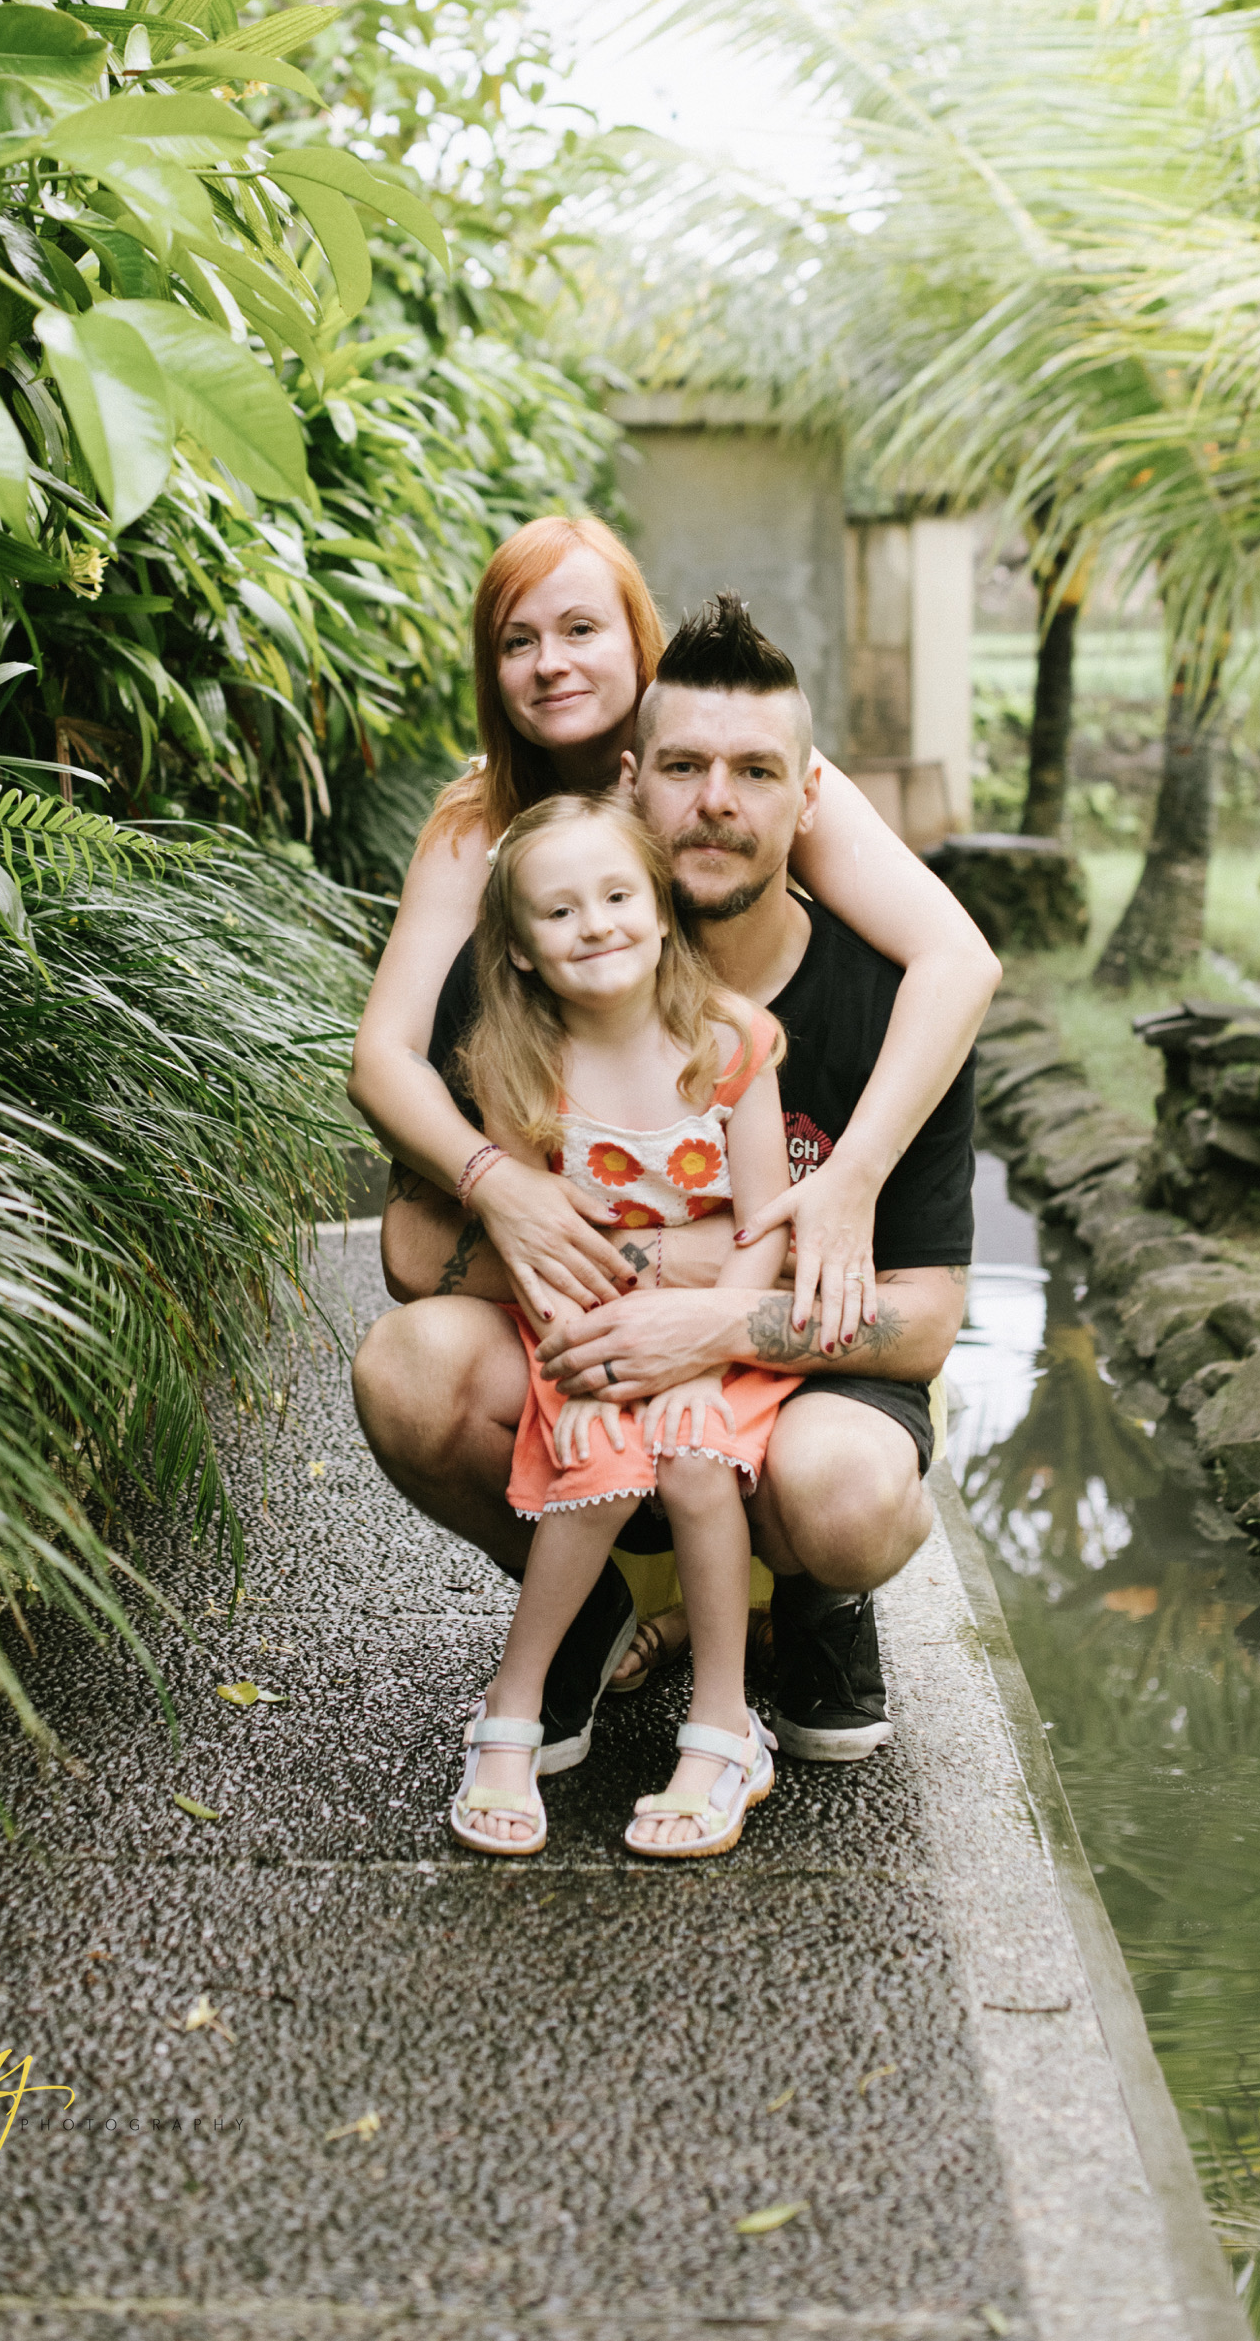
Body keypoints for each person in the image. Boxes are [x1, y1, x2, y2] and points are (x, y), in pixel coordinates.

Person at [356, 592, 988, 1776]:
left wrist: (713, 1320)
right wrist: (653, 1264)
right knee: (407, 1372)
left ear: (808, 797)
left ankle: (811, 1600)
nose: (715, 801)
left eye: (754, 772)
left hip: (794, 1401)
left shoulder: (884, 1006)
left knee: (844, 1493)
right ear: (631, 782)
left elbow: (922, 1324)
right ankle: (583, 1604)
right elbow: (409, 1250)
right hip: (587, 1373)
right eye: (685, 767)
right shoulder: (547, 972)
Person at [348, 517, 997, 1358]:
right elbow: (383, 1059)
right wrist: (496, 1183)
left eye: (581, 629)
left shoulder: (734, 765)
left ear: (638, 644)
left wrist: (852, 1176)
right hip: (591, 1140)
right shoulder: (481, 827)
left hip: (728, 1099)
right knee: (417, 1360)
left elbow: (958, 958)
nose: (550, 663)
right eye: (517, 641)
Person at [434, 791, 793, 1861]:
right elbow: (535, 1248)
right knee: (595, 1466)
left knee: (691, 1456)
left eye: (616, 897)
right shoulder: (516, 1065)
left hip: (718, 1327)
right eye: (559, 912)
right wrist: (582, 1366)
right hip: (585, 1328)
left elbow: (764, 1224)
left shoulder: (729, 1043)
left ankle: (723, 1727)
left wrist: (713, 1347)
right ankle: (512, 1706)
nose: (594, 925)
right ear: (520, 948)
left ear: (660, 909)